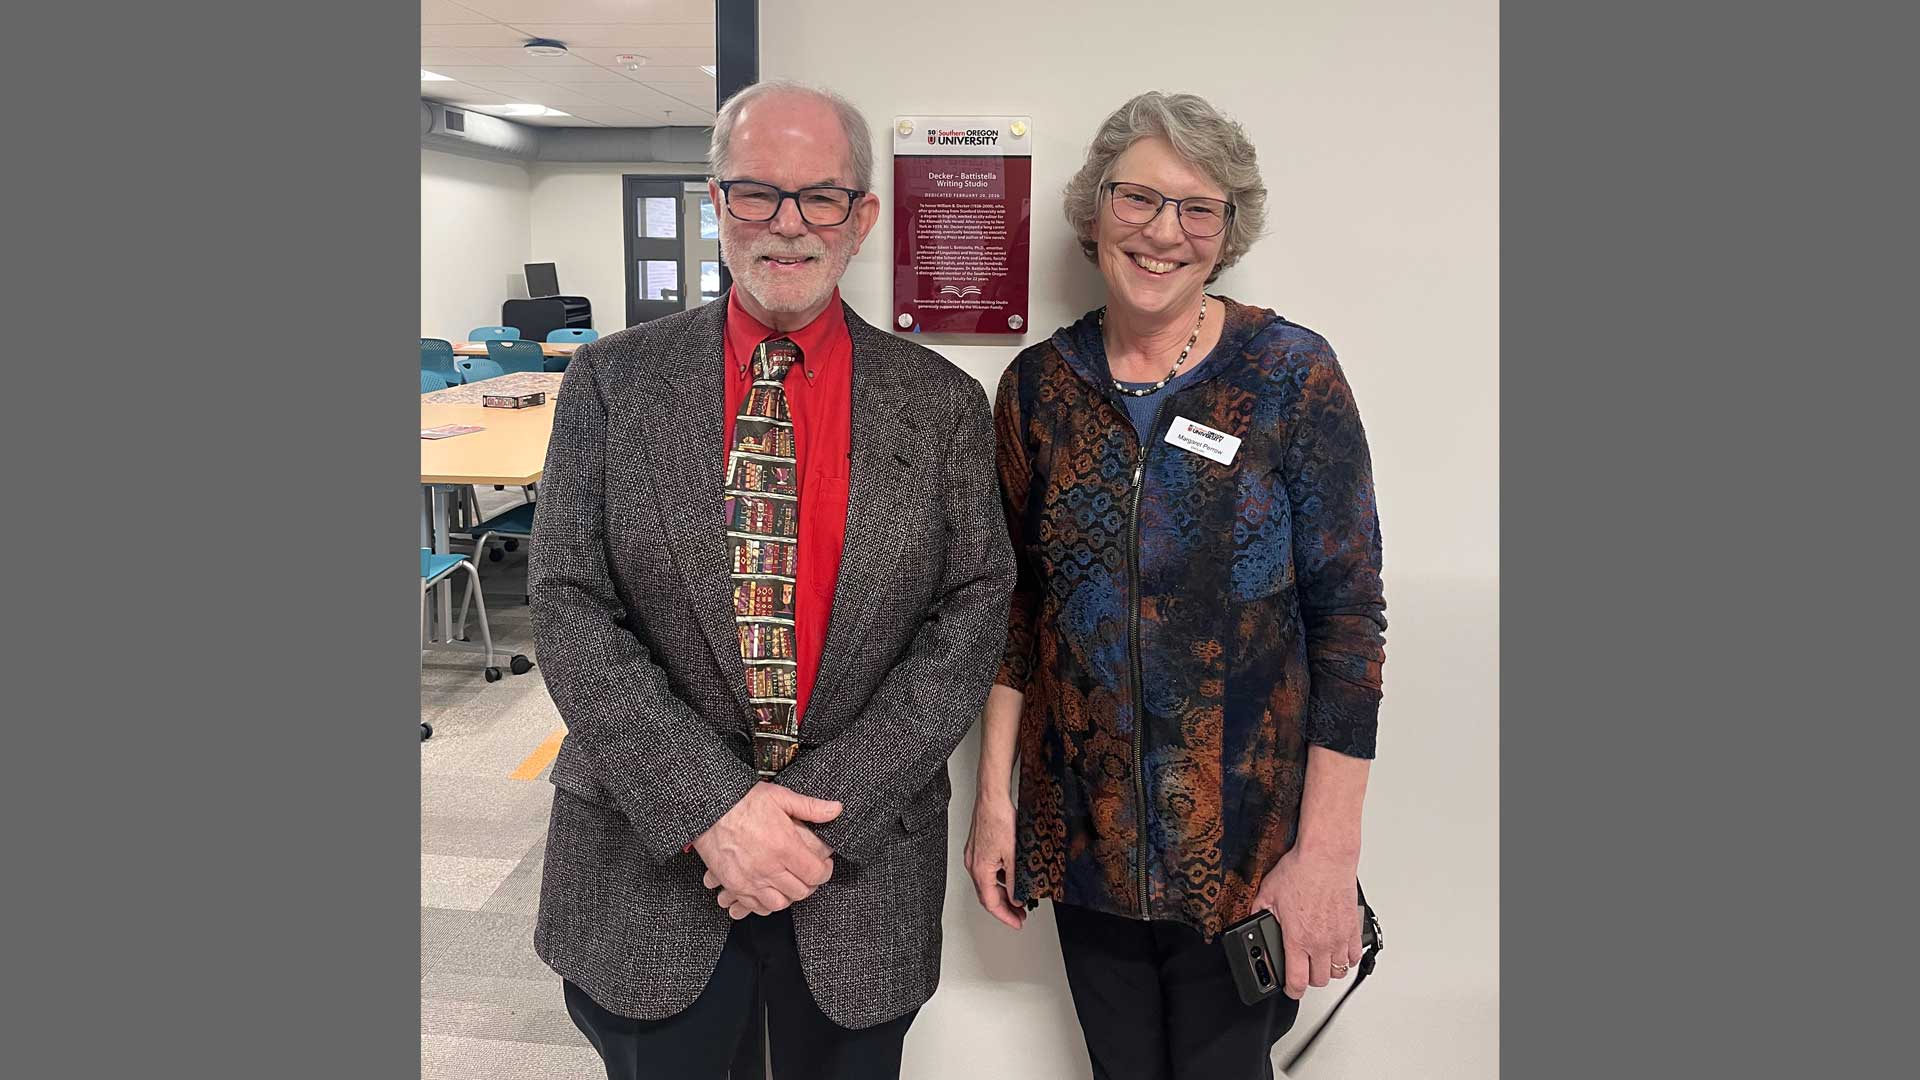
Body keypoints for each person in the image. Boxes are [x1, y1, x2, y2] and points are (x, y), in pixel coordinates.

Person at [529, 79, 1015, 1080]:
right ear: (716, 203)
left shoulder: (942, 403)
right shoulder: (611, 384)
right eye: (756, 194)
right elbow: (569, 605)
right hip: (648, 862)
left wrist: (811, 819)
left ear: (862, 217)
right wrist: (716, 812)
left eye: (819, 198)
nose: (786, 226)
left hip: (857, 870)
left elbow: (972, 613)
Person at [965, 91, 1388, 1080]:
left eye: (1199, 209)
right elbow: (1016, 612)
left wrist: (1325, 857)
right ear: (1095, 209)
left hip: (1246, 853)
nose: (1165, 233)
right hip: (1084, 841)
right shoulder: (1037, 390)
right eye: (1140, 200)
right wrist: (995, 805)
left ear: (1229, 230)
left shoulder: (1290, 376)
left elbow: (1350, 630)